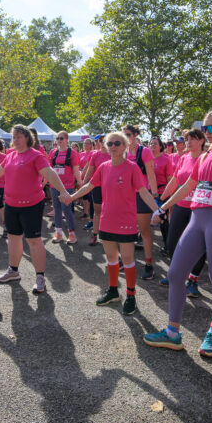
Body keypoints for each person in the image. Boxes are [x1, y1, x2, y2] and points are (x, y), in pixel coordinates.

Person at [144, 110, 212, 355]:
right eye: (205, 128)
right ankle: (172, 333)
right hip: (197, 219)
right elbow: (187, 186)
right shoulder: (204, 157)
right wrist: (163, 206)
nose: (207, 132)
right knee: (175, 273)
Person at [69, 131, 162, 313]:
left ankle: (131, 295)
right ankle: (113, 291)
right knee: (111, 259)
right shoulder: (103, 167)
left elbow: (143, 191)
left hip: (126, 220)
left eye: (117, 143)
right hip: (106, 220)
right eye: (109, 143)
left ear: (125, 146)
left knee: (127, 259)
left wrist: (157, 209)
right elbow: (89, 185)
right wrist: (71, 197)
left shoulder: (132, 167)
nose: (112, 146)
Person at [0, 125, 71, 292]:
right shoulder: (10, 155)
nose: (15, 140)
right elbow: (0, 170)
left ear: (27, 138)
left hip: (32, 206)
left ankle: (40, 277)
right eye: (13, 137)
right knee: (13, 238)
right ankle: (13, 271)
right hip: (11, 204)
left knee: (34, 241)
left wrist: (63, 191)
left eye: (19, 137)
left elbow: (49, 173)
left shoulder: (35, 155)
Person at [157, 129, 207, 295]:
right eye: (187, 139)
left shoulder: (206, 159)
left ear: (201, 141)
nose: (188, 142)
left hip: (199, 209)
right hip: (181, 206)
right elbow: (175, 180)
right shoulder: (183, 158)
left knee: (198, 246)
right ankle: (177, 273)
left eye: (193, 139)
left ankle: (193, 280)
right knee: (172, 242)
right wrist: (162, 199)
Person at [123, 125, 159, 281]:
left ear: (135, 135)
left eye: (128, 135)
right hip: (126, 196)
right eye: (123, 135)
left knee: (144, 231)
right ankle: (126, 260)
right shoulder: (122, 152)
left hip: (142, 195)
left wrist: (155, 197)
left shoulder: (144, 151)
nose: (125, 137)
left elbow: (151, 176)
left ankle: (149, 264)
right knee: (126, 231)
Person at [48, 131, 81, 244]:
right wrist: (44, 182)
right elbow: (49, 169)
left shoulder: (72, 153)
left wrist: (80, 183)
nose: (59, 140)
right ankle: (58, 233)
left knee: (66, 209)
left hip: (67, 186)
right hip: (54, 185)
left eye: (61, 138)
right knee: (56, 209)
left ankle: (72, 234)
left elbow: (76, 169)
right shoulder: (53, 152)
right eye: (57, 138)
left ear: (66, 139)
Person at [81, 140, 111, 246]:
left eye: (105, 140)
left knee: (109, 212)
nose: (102, 143)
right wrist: (83, 184)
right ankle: (95, 235)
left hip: (110, 188)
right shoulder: (95, 154)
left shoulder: (113, 153)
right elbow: (90, 170)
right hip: (97, 186)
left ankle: (108, 235)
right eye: (100, 141)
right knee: (97, 211)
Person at [149, 136, 174, 256]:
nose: (152, 145)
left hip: (162, 194)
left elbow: (170, 179)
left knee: (163, 220)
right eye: (151, 143)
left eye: (155, 144)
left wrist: (167, 195)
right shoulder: (146, 158)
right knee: (144, 218)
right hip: (148, 193)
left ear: (160, 146)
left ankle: (168, 246)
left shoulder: (166, 160)